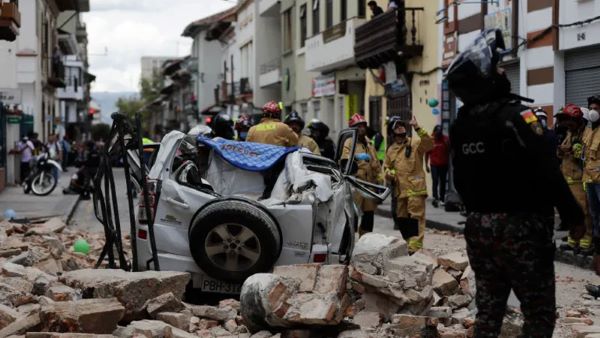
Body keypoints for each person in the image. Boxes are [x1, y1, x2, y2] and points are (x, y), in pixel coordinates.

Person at [446, 29, 583, 337]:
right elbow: (548, 169)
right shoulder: (516, 117)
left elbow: (461, 181)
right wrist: (574, 215)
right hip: (522, 226)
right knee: (538, 313)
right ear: (485, 79)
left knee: (489, 311)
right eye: (497, 67)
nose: (502, 71)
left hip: (479, 227)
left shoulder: (461, 125)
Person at [384, 116, 433, 253]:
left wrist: (417, 127)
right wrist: (389, 173)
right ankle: (410, 242)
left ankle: (415, 248)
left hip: (415, 189)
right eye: (397, 126)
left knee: (416, 218)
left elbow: (429, 144)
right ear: (392, 132)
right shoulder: (391, 150)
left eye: (402, 125)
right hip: (400, 191)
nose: (400, 127)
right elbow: (387, 167)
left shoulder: (415, 144)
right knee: (401, 219)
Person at [555, 104, 593, 255]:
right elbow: (561, 155)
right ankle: (572, 241)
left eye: (570, 122)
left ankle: (585, 241)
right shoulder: (570, 133)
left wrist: (574, 151)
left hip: (580, 179)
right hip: (568, 179)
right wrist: (561, 151)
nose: (567, 125)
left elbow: (587, 158)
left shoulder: (587, 134)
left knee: (584, 211)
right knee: (572, 212)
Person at [341, 114, 382, 236]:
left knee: (369, 215)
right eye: (358, 126)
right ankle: (351, 240)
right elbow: (344, 159)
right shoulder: (349, 142)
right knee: (353, 214)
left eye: (363, 126)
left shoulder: (369, 143)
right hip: (355, 185)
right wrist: (356, 156)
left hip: (368, 185)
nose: (362, 129)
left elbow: (375, 162)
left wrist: (380, 177)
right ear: (353, 129)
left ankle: (365, 239)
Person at [247, 101, 298, 199]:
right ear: (277, 114)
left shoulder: (252, 129)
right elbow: (295, 141)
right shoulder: (282, 127)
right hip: (277, 167)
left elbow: (248, 147)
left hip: (257, 167)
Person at [584, 95, 600, 275]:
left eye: (597, 108)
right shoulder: (589, 130)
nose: (593, 111)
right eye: (591, 108)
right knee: (595, 218)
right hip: (590, 180)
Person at [425, 125, 450, 208]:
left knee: (442, 182)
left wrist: (447, 144)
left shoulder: (445, 139)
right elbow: (427, 153)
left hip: (443, 164)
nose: (438, 135)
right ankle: (435, 198)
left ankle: (442, 198)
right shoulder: (431, 140)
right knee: (435, 180)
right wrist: (426, 165)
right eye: (437, 133)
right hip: (434, 164)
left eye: (439, 133)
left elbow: (450, 150)